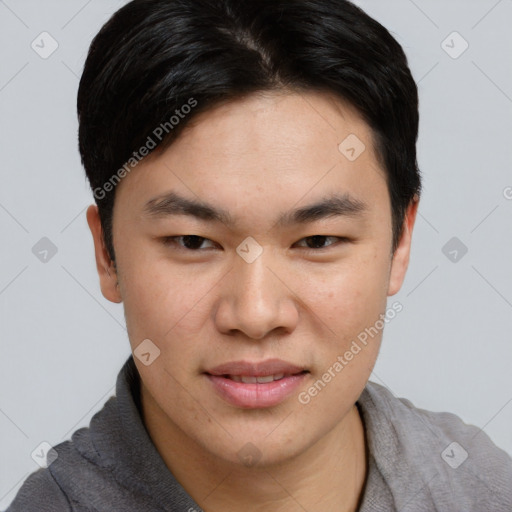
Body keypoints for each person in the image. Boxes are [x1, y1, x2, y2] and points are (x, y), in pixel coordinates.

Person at [7, 0, 512, 510]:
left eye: (317, 241)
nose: (255, 315)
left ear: (400, 241)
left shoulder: (484, 488)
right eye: (192, 242)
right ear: (106, 252)